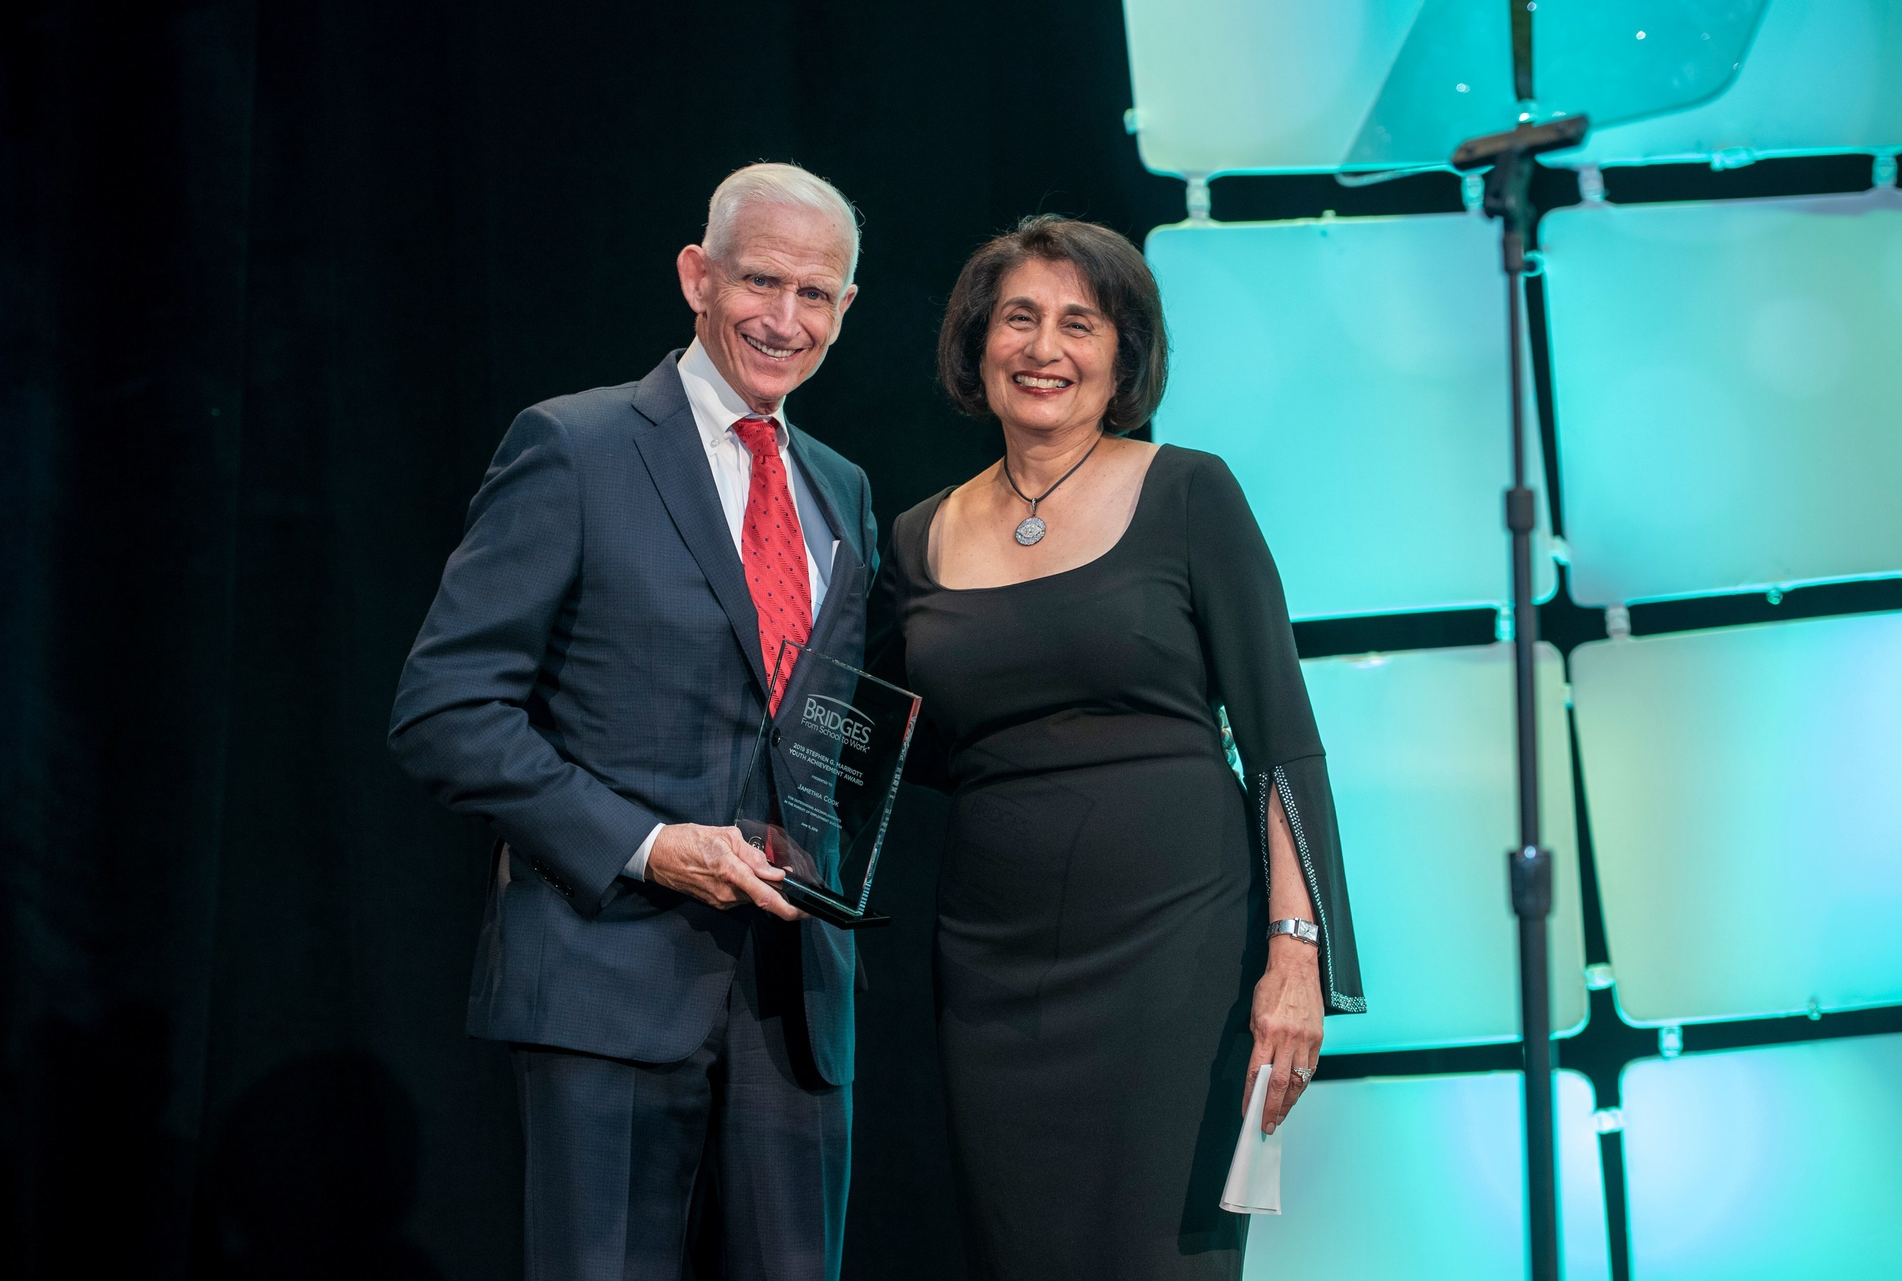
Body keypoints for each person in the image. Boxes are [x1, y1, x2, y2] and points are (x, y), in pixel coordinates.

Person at [389, 163, 874, 1280]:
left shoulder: (840, 489)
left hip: (795, 1004)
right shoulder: (575, 448)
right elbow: (444, 711)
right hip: (606, 983)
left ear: (847, 310)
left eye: (817, 295)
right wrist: (652, 847)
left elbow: (821, 726)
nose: (785, 319)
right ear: (697, 277)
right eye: (762, 281)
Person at [869, 215, 1365, 1280]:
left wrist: (1295, 956)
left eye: (1078, 324)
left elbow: (1281, 738)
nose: (1045, 348)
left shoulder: (1189, 492)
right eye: (1020, 319)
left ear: (1123, 355)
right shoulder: (913, 540)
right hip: (994, 966)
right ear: (978, 342)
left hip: (1176, 950)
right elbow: (893, 745)